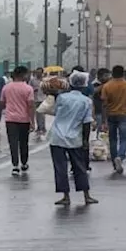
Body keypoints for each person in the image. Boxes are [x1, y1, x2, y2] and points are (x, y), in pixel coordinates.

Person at [49, 71, 98, 206]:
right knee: (80, 167)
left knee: (60, 167)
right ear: (84, 85)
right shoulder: (86, 101)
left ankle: (66, 196)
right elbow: (87, 122)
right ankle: (86, 196)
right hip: (75, 137)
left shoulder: (61, 98)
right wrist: (85, 141)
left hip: (57, 136)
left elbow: (54, 111)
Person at [100, 65, 126, 174]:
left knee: (113, 139)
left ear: (112, 73)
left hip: (111, 115)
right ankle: (120, 157)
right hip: (124, 115)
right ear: (123, 73)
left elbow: (104, 105)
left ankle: (114, 161)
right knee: (124, 138)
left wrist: (103, 120)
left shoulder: (107, 86)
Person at [1, 66, 35, 176]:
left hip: (10, 119)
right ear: (23, 75)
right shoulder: (28, 88)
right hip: (24, 119)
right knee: (24, 142)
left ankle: (15, 166)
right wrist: (32, 121)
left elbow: (2, 102)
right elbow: (30, 106)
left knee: (13, 143)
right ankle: (24, 163)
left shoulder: (6, 88)